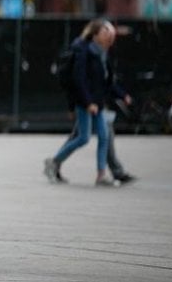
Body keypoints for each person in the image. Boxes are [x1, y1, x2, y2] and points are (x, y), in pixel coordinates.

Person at [44, 19, 127, 187]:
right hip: (85, 102)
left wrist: (122, 95)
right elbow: (79, 79)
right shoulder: (83, 51)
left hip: (99, 103)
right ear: (95, 35)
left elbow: (107, 81)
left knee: (104, 136)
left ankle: (101, 175)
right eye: (105, 33)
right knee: (83, 138)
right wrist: (87, 102)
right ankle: (53, 162)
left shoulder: (102, 54)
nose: (108, 37)